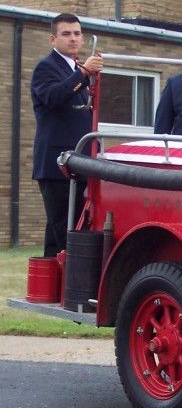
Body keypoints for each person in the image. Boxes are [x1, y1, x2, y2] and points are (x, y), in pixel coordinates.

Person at [31, 13, 104, 257]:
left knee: (60, 233)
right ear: (53, 39)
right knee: (65, 231)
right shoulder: (47, 67)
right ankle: (68, 289)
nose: (73, 39)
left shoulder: (75, 68)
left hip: (79, 161)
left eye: (77, 33)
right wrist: (82, 75)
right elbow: (53, 97)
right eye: (66, 34)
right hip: (57, 164)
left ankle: (51, 288)